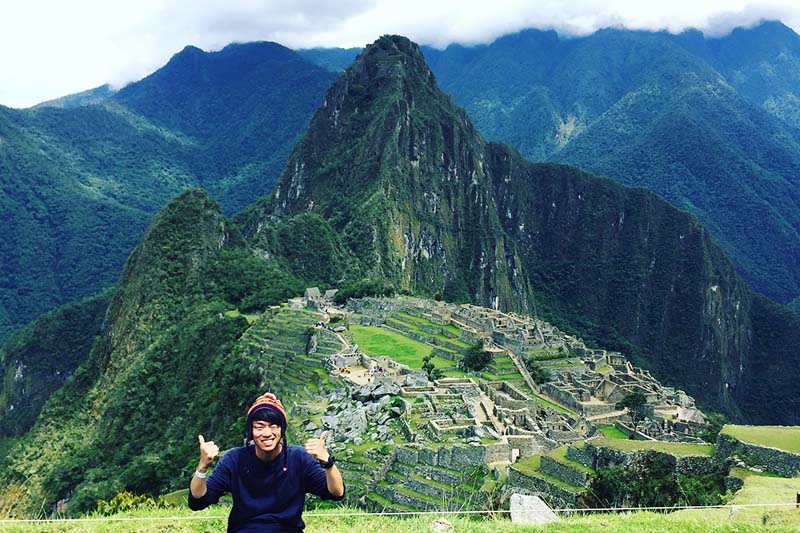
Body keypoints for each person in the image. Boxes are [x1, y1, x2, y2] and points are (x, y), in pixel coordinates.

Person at [189, 392, 345, 532]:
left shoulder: (299, 458)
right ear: (251, 431)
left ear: (281, 430)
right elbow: (199, 501)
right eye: (259, 427)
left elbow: (336, 493)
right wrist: (203, 466)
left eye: (273, 426)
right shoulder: (234, 459)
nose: (266, 433)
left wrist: (327, 462)